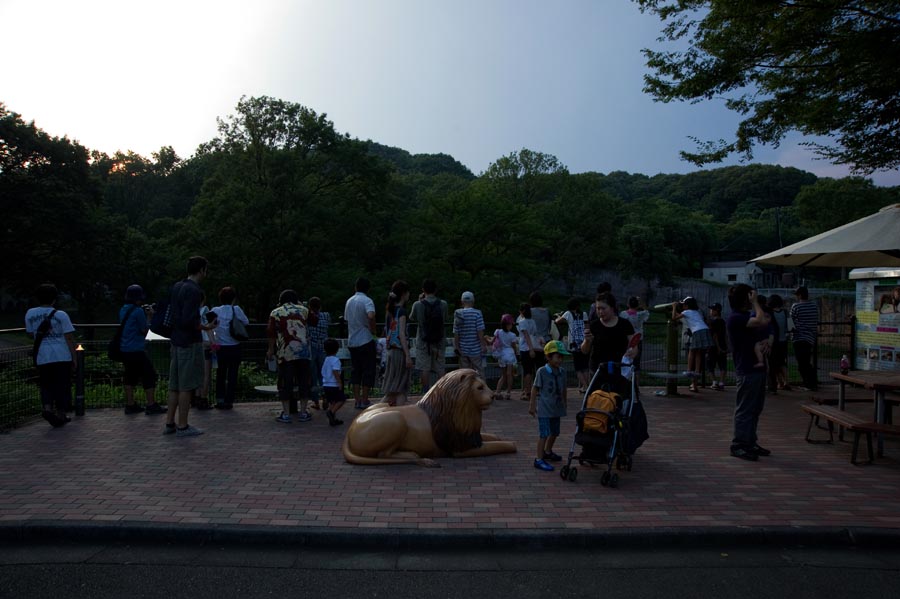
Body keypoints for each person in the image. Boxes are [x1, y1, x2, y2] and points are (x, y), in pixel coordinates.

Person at [165, 256, 214, 437]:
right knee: (186, 386)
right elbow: (189, 319)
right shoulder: (194, 291)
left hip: (176, 340)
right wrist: (205, 327)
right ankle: (183, 425)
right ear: (201, 270)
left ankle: (170, 422)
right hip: (189, 342)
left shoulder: (177, 286)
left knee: (174, 385)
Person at [726, 283, 772, 461]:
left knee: (755, 409)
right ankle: (739, 444)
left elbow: (764, 323)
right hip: (746, 369)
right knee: (745, 409)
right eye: (750, 295)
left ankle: (750, 441)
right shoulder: (735, 318)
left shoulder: (744, 316)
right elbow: (760, 320)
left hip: (757, 369)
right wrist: (755, 302)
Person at [25, 283, 76, 427]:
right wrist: (74, 357)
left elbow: (30, 333)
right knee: (62, 385)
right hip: (61, 355)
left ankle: (47, 408)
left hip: (42, 355)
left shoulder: (30, 313)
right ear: (55, 299)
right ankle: (61, 413)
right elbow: (69, 337)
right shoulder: (61, 315)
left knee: (46, 384)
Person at [267, 289, 313, 424]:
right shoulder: (303, 310)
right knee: (304, 381)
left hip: (285, 353)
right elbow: (314, 320)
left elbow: (271, 333)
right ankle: (303, 412)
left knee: (285, 383)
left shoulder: (275, 312)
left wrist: (270, 350)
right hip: (304, 352)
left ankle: (286, 414)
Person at [118, 284, 164, 415]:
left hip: (124, 348)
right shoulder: (138, 311)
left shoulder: (123, 309)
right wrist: (150, 316)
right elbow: (144, 330)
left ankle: (130, 405)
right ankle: (151, 404)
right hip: (136, 349)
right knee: (149, 375)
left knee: (129, 376)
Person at [529, 341, 570, 472]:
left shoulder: (562, 372)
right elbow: (535, 388)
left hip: (557, 408)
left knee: (555, 432)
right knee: (544, 434)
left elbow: (564, 388)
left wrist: (565, 402)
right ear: (548, 357)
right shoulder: (542, 371)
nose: (560, 360)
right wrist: (532, 405)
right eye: (558, 357)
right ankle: (539, 459)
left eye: (561, 357)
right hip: (545, 409)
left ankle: (548, 451)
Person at [581, 292, 636, 389]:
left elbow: (634, 345)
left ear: (612, 308)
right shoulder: (593, 325)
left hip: (619, 370)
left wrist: (632, 352)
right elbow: (584, 350)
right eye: (598, 308)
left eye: (603, 308)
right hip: (597, 370)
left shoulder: (625, 324)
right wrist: (587, 341)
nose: (600, 312)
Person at [211, 286, 249, 410]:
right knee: (232, 374)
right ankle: (229, 400)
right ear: (233, 299)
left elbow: (210, 324)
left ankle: (220, 399)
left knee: (220, 374)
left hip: (221, 347)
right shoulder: (236, 309)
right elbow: (246, 322)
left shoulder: (215, 310)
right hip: (235, 346)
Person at [408, 279, 448, 394]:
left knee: (424, 368)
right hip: (439, 340)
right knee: (440, 367)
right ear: (436, 290)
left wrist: (419, 301)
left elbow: (411, 318)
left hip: (423, 340)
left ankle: (425, 392)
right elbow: (445, 318)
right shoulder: (443, 304)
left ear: (423, 290)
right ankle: (442, 392)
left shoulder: (418, 304)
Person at [344, 277, 377, 410]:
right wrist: (373, 329)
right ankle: (365, 399)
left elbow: (346, 319)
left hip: (352, 340)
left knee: (355, 371)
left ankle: (357, 400)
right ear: (368, 288)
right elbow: (371, 315)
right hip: (365, 339)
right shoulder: (367, 300)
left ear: (355, 287)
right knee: (368, 370)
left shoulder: (349, 301)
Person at [672, 297, 713, 392]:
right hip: (705, 330)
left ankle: (689, 370)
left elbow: (674, 318)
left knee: (691, 350)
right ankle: (697, 371)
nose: (682, 306)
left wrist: (674, 307)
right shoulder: (696, 312)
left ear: (686, 306)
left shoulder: (686, 312)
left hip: (697, 331)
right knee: (698, 352)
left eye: (683, 305)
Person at [381, 280, 413, 407]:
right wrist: (408, 355)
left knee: (393, 388)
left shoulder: (390, 311)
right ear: (404, 294)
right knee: (400, 388)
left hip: (390, 351)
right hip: (399, 352)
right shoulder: (402, 312)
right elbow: (401, 334)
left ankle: (378, 414)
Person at [557, 298, 590, 395]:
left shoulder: (568, 314)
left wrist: (559, 316)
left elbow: (558, 321)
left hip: (574, 344)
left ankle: (585, 386)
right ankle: (587, 385)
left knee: (578, 368)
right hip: (584, 343)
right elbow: (587, 327)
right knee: (585, 366)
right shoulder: (584, 314)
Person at [790, 286, 818, 391]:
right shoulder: (814, 306)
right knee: (806, 361)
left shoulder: (796, 306)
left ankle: (809, 384)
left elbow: (791, 321)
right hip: (810, 337)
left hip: (799, 337)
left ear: (800, 295)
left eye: (797, 295)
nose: (796, 297)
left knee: (802, 363)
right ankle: (810, 382)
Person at [453, 291, 487, 377]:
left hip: (463, 349)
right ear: (473, 301)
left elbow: (456, 333)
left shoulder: (458, 314)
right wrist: (483, 345)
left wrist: (457, 347)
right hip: (475, 349)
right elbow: (480, 331)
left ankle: (466, 390)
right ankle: (482, 389)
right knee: (479, 371)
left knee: (464, 374)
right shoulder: (477, 313)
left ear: (462, 301)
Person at [618, 296, 649, 391]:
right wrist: (642, 303)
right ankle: (636, 387)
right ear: (637, 305)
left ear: (628, 304)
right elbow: (647, 311)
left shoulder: (623, 314)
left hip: (626, 341)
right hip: (637, 340)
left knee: (625, 362)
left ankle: (624, 384)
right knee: (636, 364)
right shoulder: (641, 314)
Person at [307, 296, 332, 410]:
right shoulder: (326, 316)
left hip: (312, 348)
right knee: (324, 374)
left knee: (313, 376)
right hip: (324, 347)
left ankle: (316, 401)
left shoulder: (308, 317)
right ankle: (326, 397)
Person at [195, 292, 216, 410]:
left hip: (194, 344)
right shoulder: (205, 311)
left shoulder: (191, 313)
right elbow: (209, 329)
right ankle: (203, 399)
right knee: (206, 375)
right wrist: (214, 345)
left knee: (197, 374)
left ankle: (196, 397)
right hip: (206, 345)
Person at [491, 313, 518, 400]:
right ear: (508, 324)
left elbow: (492, 341)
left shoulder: (498, 332)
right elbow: (514, 346)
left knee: (503, 375)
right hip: (509, 354)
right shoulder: (512, 335)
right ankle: (508, 393)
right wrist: (517, 354)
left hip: (501, 354)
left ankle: (498, 391)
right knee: (509, 374)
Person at [320, 338, 346, 426]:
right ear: (337, 349)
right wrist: (339, 382)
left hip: (326, 384)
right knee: (341, 400)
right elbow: (335, 371)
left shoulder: (326, 360)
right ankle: (331, 412)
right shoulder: (336, 360)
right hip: (333, 384)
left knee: (333, 401)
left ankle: (333, 418)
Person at [767, 294, 789, 392]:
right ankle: (786, 381)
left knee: (773, 363)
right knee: (782, 362)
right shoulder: (785, 312)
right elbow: (790, 326)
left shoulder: (770, 313)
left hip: (773, 342)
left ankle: (778, 382)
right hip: (783, 341)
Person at [517, 303, 539, 400]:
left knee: (527, 371)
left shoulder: (522, 322)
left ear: (522, 311)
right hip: (534, 346)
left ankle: (527, 392)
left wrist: (530, 349)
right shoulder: (533, 321)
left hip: (525, 348)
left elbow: (526, 336)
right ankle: (531, 390)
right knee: (532, 370)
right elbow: (534, 334)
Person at [706, 303, 728, 391]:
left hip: (713, 346)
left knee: (710, 365)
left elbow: (714, 336)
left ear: (716, 311)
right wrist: (726, 345)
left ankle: (714, 382)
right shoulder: (722, 321)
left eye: (712, 310)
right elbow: (724, 334)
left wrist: (718, 347)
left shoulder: (712, 322)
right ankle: (722, 382)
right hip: (722, 344)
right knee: (722, 364)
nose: (710, 311)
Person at [528, 292, 551, 370]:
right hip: (546, 340)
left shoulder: (530, 311)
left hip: (533, 341)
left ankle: (536, 382)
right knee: (544, 366)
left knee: (532, 368)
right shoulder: (547, 311)